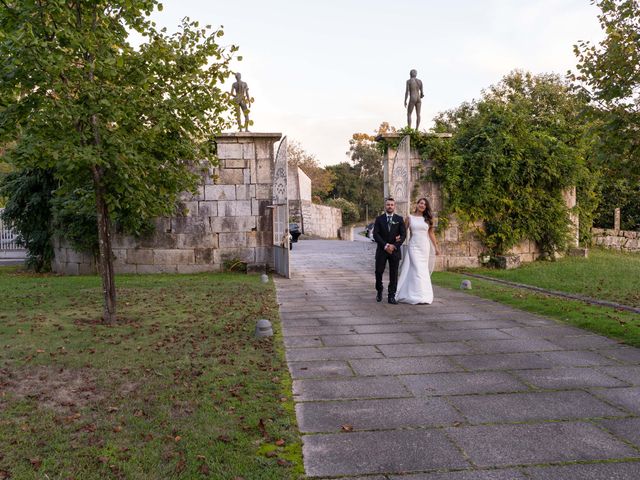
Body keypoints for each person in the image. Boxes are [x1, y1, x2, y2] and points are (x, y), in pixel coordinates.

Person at [396, 198, 441, 304]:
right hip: (413, 246)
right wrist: (398, 238)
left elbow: (431, 234)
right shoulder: (410, 218)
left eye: (425, 204)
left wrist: (436, 248)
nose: (422, 205)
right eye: (421, 203)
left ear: (426, 207)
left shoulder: (428, 219)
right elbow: (404, 232)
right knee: (416, 268)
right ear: (417, 204)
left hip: (424, 246)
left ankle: (424, 295)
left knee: (423, 270)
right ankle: (415, 295)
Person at [373, 198, 407, 304]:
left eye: (392, 205)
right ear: (385, 206)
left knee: (394, 274)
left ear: (394, 206)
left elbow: (403, 235)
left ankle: (391, 296)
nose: (390, 206)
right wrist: (386, 245)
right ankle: (379, 289)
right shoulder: (379, 219)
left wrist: (394, 246)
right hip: (382, 250)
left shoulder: (399, 219)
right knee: (378, 272)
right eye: (388, 204)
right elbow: (376, 234)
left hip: (394, 251)